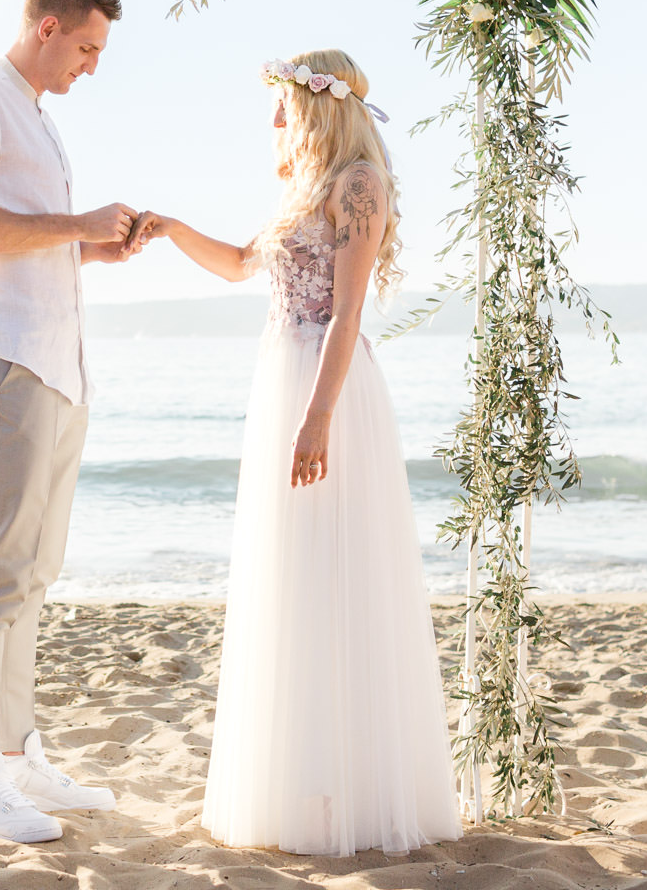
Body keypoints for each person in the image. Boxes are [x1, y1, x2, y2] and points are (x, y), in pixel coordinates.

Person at [133, 50, 463, 856]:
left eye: (284, 103)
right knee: (294, 579)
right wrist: (172, 228)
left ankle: (358, 792)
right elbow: (242, 265)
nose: (274, 120)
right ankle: (306, 786)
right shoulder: (298, 193)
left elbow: (346, 316)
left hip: (330, 391)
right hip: (283, 383)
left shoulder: (358, 184)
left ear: (320, 105)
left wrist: (317, 419)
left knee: (341, 575)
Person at [0, 0, 142, 844]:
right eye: (87, 46)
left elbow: (20, 237)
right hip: (5, 357)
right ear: (47, 26)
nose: (92, 65)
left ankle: (13, 755)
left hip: (56, 361)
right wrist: (77, 227)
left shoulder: (38, 120)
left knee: (35, 569)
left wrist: (91, 250)